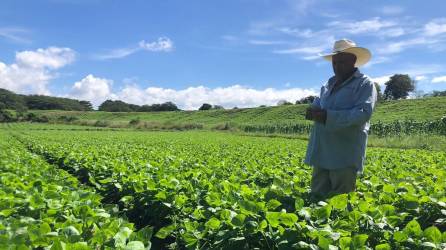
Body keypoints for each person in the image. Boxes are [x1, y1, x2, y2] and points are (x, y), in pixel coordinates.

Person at [304, 39, 377, 197]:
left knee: (340, 200)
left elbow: (363, 113)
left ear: (353, 61)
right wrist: (312, 111)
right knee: (317, 196)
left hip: (344, 153)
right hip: (322, 150)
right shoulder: (327, 84)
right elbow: (317, 104)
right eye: (335, 62)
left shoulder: (364, 84)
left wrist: (327, 116)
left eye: (342, 62)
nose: (337, 66)